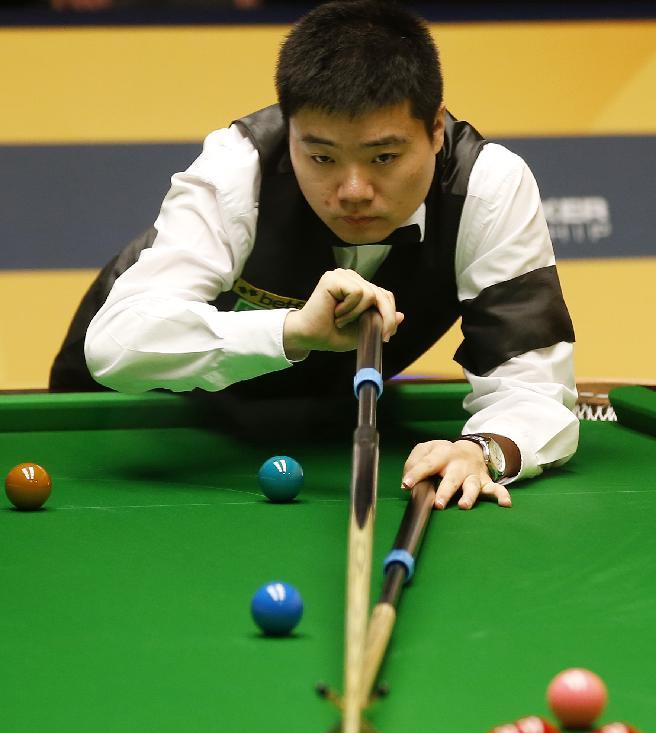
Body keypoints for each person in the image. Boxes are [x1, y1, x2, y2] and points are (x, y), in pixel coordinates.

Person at [51, 0, 579, 511]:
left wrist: (481, 449)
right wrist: (292, 330)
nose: (352, 189)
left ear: (435, 128)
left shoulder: (487, 187)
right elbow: (115, 343)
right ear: (291, 126)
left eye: (384, 157)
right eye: (321, 156)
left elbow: (534, 386)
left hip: (320, 428)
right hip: (138, 429)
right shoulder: (239, 169)